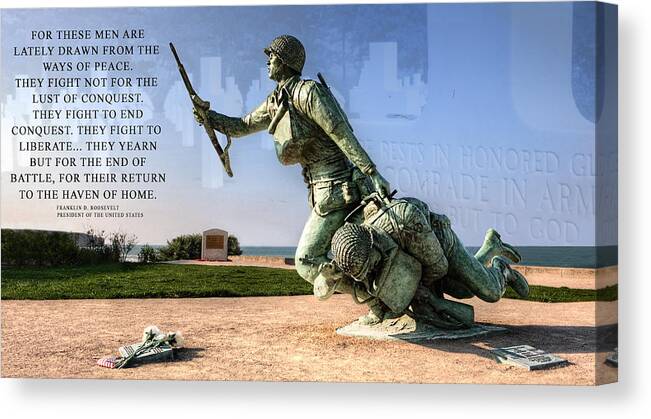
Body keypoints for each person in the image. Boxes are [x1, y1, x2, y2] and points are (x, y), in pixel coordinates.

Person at [193, 35, 391, 287]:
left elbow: (340, 133)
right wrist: (208, 117)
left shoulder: (309, 92)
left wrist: (371, 171)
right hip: (319, 193)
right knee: (357, 255)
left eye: (272, 57)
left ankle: (372, 300)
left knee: (306, 261)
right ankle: (377, 302)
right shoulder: (275, 102)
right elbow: (241, 126)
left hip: (338, 188)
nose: (267, 62)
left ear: (285, 61)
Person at [320, 195, 529, 326]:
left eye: (372, 265)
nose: (372, 270)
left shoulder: (404, 219)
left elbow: (439, 267)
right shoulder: (352, 248)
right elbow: (323, 287)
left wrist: (415, 291)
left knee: (489, 292)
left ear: (373, 244)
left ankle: (502, 270)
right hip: (417, 260)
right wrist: (329, 279)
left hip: (441, 247)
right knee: (461, 290)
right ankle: (490, 247)